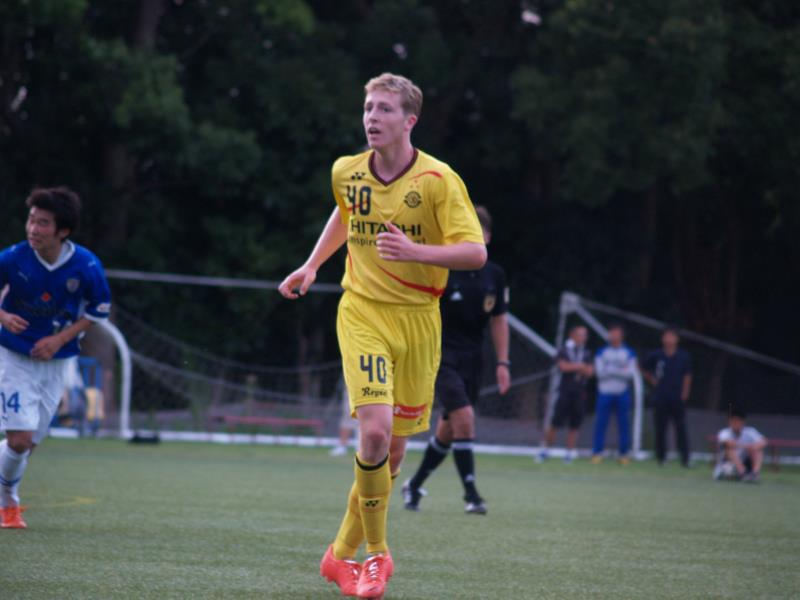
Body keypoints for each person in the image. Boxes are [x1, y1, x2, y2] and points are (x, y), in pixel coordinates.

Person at [278, 73, 486, 599]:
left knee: (391, 455)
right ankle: (377, 556)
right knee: (374, 434)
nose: (372, 117)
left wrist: (418, 252)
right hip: (363, 312)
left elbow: (475, 253)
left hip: (419, 321)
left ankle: (338, 556)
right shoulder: (346, 171)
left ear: (409, 120)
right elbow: (347, 212)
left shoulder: (438, 180)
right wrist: (312, 265)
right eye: (369, 107)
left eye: (385, 109)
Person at [0, 187, 112, 529]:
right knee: (19, 440)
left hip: (58, 362)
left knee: (27, 445)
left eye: (43, 223)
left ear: (63, 230)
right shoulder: (13, 258)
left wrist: (59, 339)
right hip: (14, 356)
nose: (33, 229)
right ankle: (8, 507)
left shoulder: (86, 265)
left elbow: (98, 311)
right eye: (31, 220)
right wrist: (3, 317)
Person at [402, 205, 510, 515]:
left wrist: (503, 363)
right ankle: (471, 495)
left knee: (449, 430)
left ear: (487, 237)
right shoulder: (443, 267)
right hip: (440, 354)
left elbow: (499, 319)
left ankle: (414, 485)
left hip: (473, 359)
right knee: (464, 418)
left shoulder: (495, 274)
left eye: (479, 232)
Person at [538, 325, 593, 464]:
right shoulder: (563, 350)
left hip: (579, 392)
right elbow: (563, 366)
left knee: (575, 424)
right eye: (580, 334)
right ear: (572, 335)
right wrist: (580, 366)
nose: (583, 337)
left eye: (585, 335)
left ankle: (569, 453)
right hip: (564, 391)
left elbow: (590, 372)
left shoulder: (586, 352)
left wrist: (575, 367)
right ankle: (545, 451)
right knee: (555, 422)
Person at [642, 327, 692, 467]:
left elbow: (687, 375)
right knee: (660, 429)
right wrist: (652, 379)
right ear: (663, 338)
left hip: (677, 397)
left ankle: (685, 459)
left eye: (672, 336)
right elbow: (643, 368)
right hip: (660, 397)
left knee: (681, 428)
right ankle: (661, 458)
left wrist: (685, 393)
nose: (669, 339)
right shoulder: (656, 355)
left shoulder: (683, 356)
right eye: (667, 336)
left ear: (677, 339)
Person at [591, 324, 636, 464]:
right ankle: (597, 453)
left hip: (622, 392)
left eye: (617, 333)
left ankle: (623, 454)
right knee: (600, 423)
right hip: (604, 392)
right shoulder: (602, 352)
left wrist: (610, 370)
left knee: (624, 424)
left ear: (622, 336)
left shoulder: (629, 352)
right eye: (612, 333)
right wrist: (619, 370)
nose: (614, 336)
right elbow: (600, 373)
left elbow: (630, 374)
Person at [714, 409, 767, 482]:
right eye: (733, 421)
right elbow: (727, 443)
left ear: (743, 422)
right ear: (729, 422)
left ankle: (754, 474)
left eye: (738, 421)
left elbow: (764, 442)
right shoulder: (724, 432)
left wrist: (754, 447)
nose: (735, 423)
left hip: (746, 464)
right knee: (729, 449)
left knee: (758, 450)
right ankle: (743, 473)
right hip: (727, 467)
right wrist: (748, 446)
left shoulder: (750, 431)